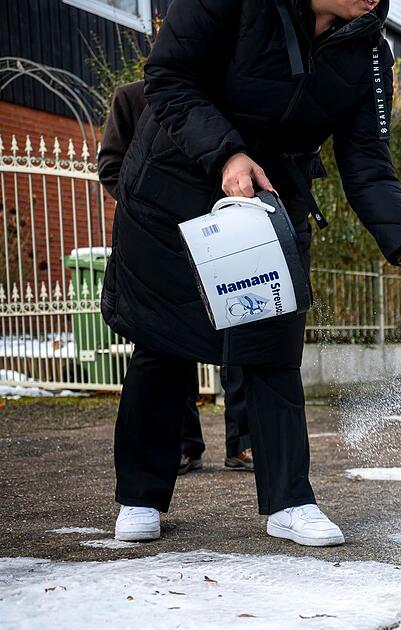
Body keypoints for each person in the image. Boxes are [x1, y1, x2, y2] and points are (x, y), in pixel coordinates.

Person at [104, 0, 401, 546]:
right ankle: (141, 496)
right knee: (165, 341)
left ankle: (290, 502)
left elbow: (367, 162)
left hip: (270, 197)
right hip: (170, 185)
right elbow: (169, 79)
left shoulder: (369, 52)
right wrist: (227, 155)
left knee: (272, 345)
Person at [97, 81, 254, 477]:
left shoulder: (224, 93)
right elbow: (111, 166)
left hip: (221, 234)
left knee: (238, 328)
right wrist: (149, 210)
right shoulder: (133, 98)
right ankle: (183, 445)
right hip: (160, 239)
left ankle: (244, 443)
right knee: (167, 342)